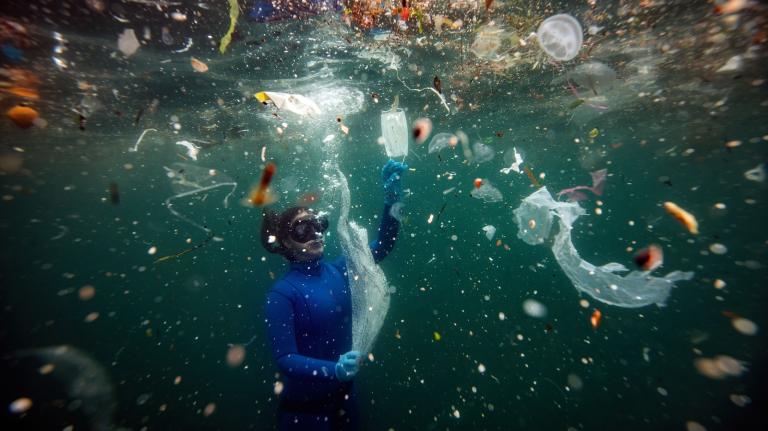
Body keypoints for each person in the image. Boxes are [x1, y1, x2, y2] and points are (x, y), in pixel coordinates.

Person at [259, 160, 407, 430]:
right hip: (304, 416)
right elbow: (285, 358)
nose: (314, 234)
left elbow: (384, 245)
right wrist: (334, 370)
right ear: (285, 242)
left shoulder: (341, 270)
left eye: (318, 225)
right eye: (302, 230)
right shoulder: (281, 295)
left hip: (346, 403)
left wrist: (392, 201)